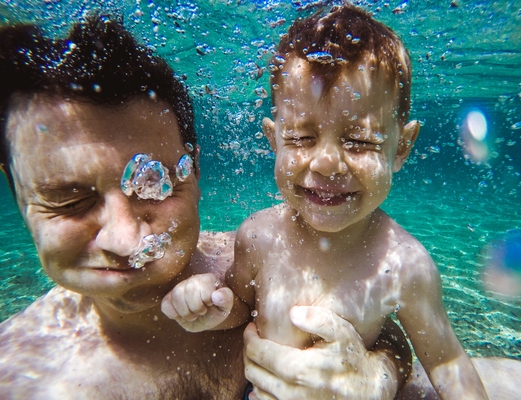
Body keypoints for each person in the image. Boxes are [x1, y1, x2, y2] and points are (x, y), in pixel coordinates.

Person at [0, 15, 413, 399]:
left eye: (152, 185)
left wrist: (375, 376)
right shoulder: (20, 375)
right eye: (70, 201)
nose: (125, 241)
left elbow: (379, 327)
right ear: (18, 196)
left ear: (195, 171)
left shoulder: (263, 257)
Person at [161, 5, 493, 399]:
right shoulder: (258, 236)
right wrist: (211, 308)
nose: (327, 163)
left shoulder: (405, 266)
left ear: (400, 147)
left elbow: (447, 362)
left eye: (360, 140)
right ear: (273, 140)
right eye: (301, 138)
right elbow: (242, 307)